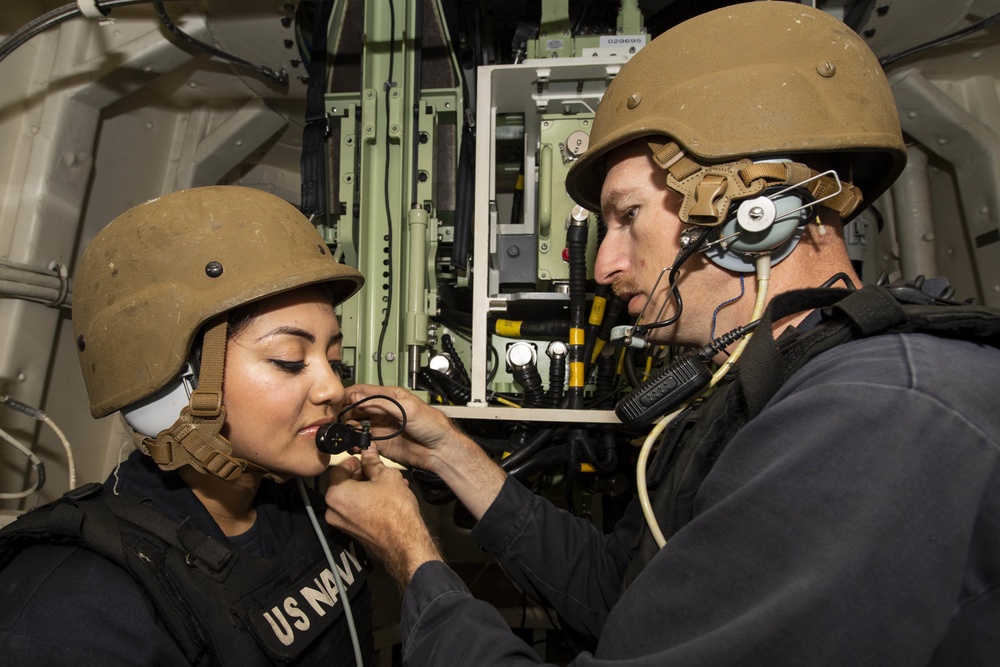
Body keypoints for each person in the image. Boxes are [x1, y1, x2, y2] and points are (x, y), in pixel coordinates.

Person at [322, 3, 1000, 666]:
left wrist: (410, 552)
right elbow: (620, 592)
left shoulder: (878, 418)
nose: (603, 266)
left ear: (750, 212)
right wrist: (450, 455)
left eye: (628, 216)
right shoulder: (765, 390)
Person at [0, 186, 375, 666]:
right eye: (288, 359)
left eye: (334, 359)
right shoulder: (76, 612)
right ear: (174, 388)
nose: (333, 390)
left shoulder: (311, 506)